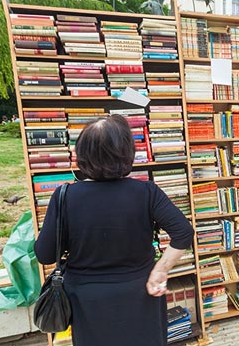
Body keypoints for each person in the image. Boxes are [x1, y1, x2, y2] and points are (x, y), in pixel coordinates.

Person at [34, 115, 194, 346]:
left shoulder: (64, 196)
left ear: (82, 154)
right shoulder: (147, 192)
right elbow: (183, 232)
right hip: (141, 291)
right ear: (127, 152)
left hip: (87, 299)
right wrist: (161, 270)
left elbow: (45, 254)